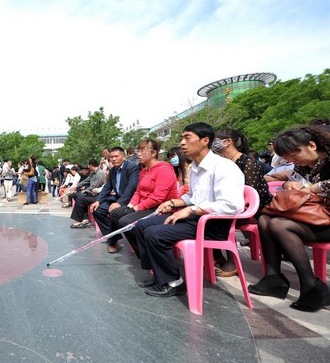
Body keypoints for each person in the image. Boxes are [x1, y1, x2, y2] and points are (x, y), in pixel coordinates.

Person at [133, 122, 244, 297]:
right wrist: (174, 203)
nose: (182, 143)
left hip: (212, 224)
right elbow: (192, 197)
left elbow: (231, 205)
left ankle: (174, 282)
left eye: (187, 137)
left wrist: (192, 210)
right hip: (195, 218)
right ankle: (158, 273)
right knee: (141, 225)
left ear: (204, 140)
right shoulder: (194, 168)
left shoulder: (224, 167)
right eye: (182, 138)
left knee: (154, 233)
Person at [249, 126, 330, 311]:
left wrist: (311, 188)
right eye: (289, 158)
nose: (293, 161)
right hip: (315, 214)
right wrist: (289, 183)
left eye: (295, 155)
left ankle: (311, 285)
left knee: (279, 224)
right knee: (264, 219)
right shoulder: (302, 163)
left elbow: (312, 188)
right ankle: (273, 277)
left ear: (311, 145)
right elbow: (293, 180)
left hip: (326, 217)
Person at [211, 128, 273, 276]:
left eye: (215, 141)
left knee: (222, 218)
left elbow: (249, 190)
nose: (213, 145)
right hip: (235, 203)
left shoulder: (248, 161)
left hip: (255, 208)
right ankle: (217, 255)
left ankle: (233, 261)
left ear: (228, 142)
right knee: (207, 215)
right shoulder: (223, 163)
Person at [108, 140, 178, 254]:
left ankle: (148, 253)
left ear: (154, 153)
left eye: (142, 151)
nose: (138, 154)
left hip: (160, 208)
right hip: (145, 206)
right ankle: (141, 248)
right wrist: (131, 205)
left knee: (125, 221)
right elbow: (138, 192)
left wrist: (136, 208)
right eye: (138, 151)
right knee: (116, 213)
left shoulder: (164, 169)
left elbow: (158, 197)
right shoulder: (144, 171)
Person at [90, 146, 140, 253]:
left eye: (116, 156)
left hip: (130, 200)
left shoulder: (132, 168)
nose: (113, 159)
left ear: (124, 156)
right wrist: (98, 200)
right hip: (117, 198)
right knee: (97, 210)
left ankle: (112, 241)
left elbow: (132, 188)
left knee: (114, 211)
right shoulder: (113, 171)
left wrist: (119, 203)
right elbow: (108, 187)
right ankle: (114, 236)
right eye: (111, 157)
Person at [69, 159, 107, 228]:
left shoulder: (100, 173)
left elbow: (94, 186)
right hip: (92, 193)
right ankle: (85, 218)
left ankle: (80, 220)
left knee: (80, 198)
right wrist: (77, 186)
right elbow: (86, 181)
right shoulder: (93, 173)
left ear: (91, 165)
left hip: (98, 195)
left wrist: (85, 190)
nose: (88, 167)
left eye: (88, 166)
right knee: (76, 195)